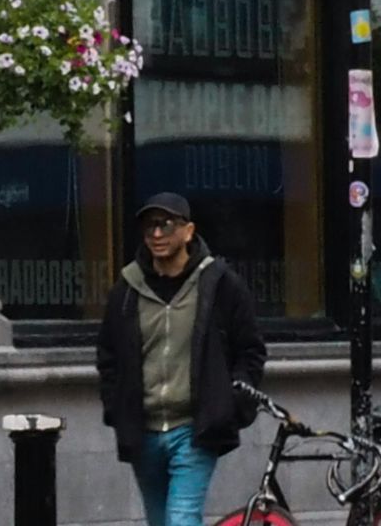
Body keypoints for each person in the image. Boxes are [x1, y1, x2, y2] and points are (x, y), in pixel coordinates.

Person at [96, 192, 266, 526]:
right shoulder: (128, 288)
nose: (156, 235)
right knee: (160, 521)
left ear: (188, 232)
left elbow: (251, 350)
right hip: (143, 431)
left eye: (166, 225)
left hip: (194, 429)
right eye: (149, 227)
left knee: (182, 519)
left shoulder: (219, 284)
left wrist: (228, 404)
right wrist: (116, 407)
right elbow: (108, 354)